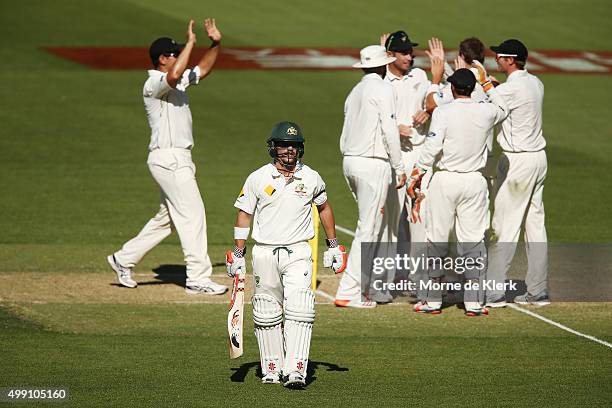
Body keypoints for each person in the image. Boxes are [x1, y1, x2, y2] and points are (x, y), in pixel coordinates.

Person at [106, 19, 227, 295]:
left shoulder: (178, 81)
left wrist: (215, 44)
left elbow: (201, 70)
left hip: (177, 158)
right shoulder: (153, 83)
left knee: (169, 220)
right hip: (169, 158)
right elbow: (172, 77)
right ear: (162, 59)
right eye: (175, 53)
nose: (179, 57)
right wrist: (193, 44)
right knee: (193, 214)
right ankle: (197, 278)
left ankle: (122, 259)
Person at [226, 121, 346, 388]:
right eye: (283, 145)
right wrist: (237, 252)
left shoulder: (311, 177)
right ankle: (271, 367)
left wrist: (333, 244)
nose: (289, 150)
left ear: (300, 149)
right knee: (266, 310)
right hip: (265, 252)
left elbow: (324, 208)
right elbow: (244, 214)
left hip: (298, 251)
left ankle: (296, 370)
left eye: (293, 145)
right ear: (273, 147)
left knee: (300, 307)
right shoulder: (258, 178)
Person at [409, 66, 508, 316]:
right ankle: (474, 302)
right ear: (472, 88)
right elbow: (504, 108)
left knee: (437, 238)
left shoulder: (443, 111)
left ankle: (432, 300)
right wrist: (486, 84)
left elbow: (432, 147)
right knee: (473, 240)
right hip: (475, 182)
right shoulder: (487, 111)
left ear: (452, 89)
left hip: (445, 181)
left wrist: (417, 174)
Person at [334, 45, 407, 308]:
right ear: (383, 65)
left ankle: (361, 287)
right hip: (371, 164)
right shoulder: (383, 89)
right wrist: (399, 167)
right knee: (369, 228)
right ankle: (348, 292)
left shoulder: (356, 91)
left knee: (369, 226)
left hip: (350, 162)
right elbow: (389, 130)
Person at [485, 39, 549, 307]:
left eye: (499, 57)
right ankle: (537, 290)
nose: (496, 60)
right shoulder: (535, 83)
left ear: (511, 60)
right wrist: (495, 86)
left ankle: (494, 292)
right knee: (535, 227)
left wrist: (485, 82)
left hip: (518, 163)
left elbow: (492, 107)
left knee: (504, 227)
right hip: (538, 160)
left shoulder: (510, 90)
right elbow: (509, 96)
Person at [377, 31, 430, 303]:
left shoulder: (419, 76)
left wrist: (429, 110)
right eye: (403, 52)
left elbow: (438, 94)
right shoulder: (380, 82)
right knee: (390, 222)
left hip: (418, 158)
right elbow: (371, 116)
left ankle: (420, 282)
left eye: (411, 52)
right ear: (390, 55)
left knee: (418, 220)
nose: (409, 57)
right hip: (392, 157)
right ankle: (386, 281)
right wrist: (393, 128)